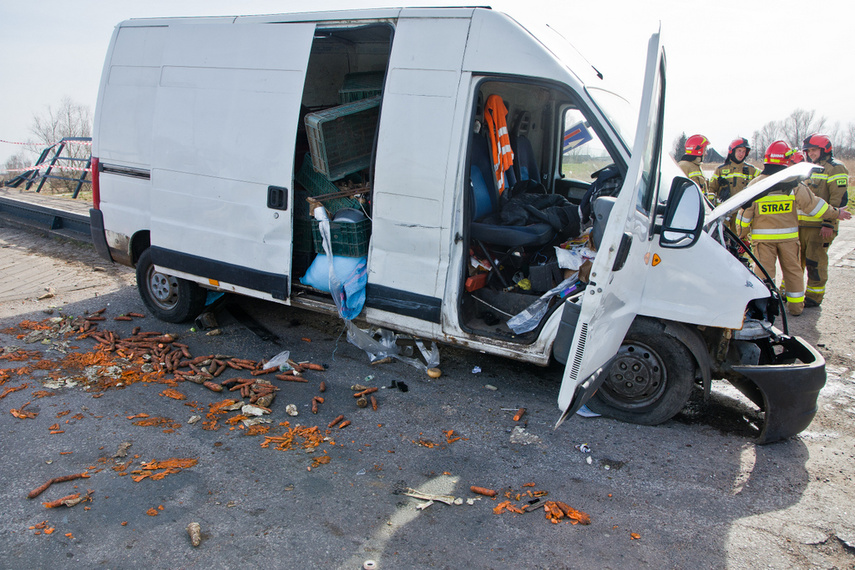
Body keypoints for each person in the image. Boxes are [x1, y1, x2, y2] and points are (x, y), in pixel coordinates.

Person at [736, 140, 850, 316]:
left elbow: (744, 215)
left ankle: (762, 310)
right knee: (793, 273)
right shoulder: (794, 183)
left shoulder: (756, 184)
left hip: (763, 242)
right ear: (785, 161)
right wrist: (836, 213)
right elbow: (814, 206)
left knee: (763, 275)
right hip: (789, 240)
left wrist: (741, 234)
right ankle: (796, 308)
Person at [798, 133, 850, 307]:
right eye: (809, 150)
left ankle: (814, 296)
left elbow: (839, 199)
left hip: (820, 226)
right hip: (801, 224)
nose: (811, 153)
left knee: (815, 262)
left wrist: (829, 223)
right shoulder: (807, 167)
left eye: (814, 150)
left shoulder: (835, 168)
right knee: (797, 261)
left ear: (824, 149)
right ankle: (793, 294)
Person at [708, 138, 760, 206]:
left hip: (743, 211)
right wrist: (712, 203)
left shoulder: (752, 170)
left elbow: (765, 179)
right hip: (724, 211)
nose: (741, 154)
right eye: (739, 150)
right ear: (732, 151)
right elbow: (711, 189)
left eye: (744, 151)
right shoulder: (720, 170)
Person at [677, 134, 710, 198]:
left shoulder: (697, 166)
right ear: (698, 150)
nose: (706, 154)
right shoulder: (683, 166)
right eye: (705, 150)